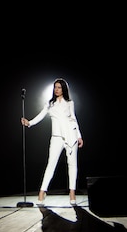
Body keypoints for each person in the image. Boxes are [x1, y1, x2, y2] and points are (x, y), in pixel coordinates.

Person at [21, 78, 84, 206]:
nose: (56, 89)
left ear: (64, 89)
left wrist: (79, 136)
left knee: (72, 165)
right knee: (51, 164)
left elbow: (73, 118)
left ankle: (72, 192)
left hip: (71, 136)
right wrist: (29, 123)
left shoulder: (69, 103)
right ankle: (42, 191)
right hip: (56, 137)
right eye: (55, 87)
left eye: (59, 87)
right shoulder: (50, 104)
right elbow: (41, 115)